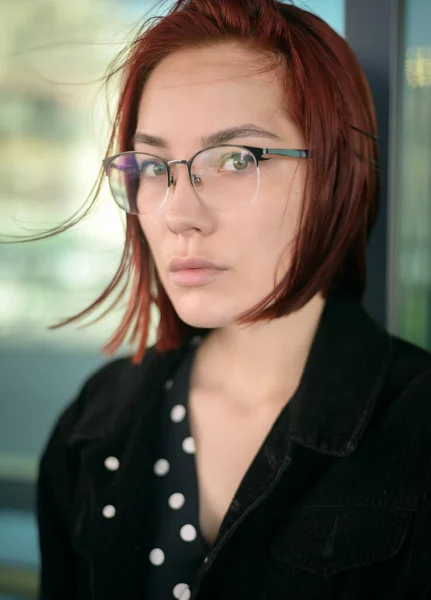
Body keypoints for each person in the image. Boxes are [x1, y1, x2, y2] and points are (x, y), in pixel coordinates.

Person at [36, 0, 431, 599]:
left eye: (236, 159)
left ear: (336, 173)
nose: (179, 213)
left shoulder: (415, 429)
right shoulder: (95, 424)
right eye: (151, 165)